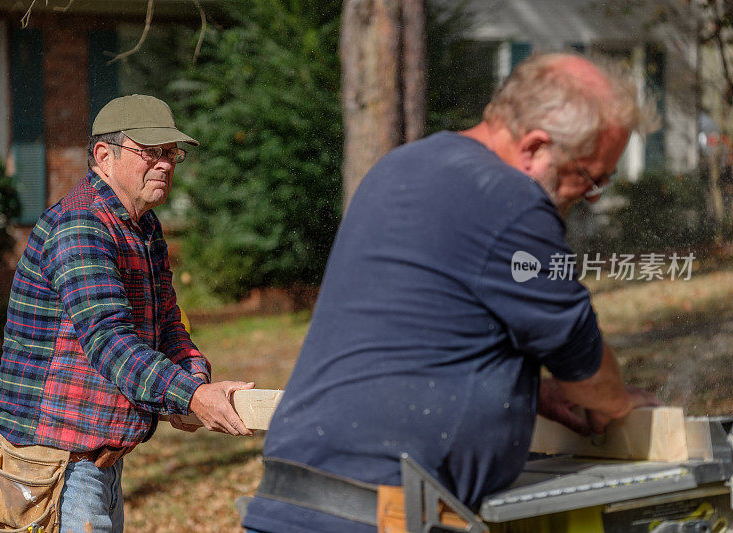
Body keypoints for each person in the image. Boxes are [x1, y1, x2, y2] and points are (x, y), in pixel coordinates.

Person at [242, 53, 660, 533]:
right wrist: (620, 404)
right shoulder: (509, 199)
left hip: (295, 501)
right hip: (380, 514)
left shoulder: (405, 165)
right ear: (536, 146)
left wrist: (521, 395)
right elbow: (586, 371)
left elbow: (413, 337)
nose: (591, 197)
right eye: (591, 178)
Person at [0, 94, 253, 533]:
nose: (165, 164)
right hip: (52, 467)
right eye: (151, 152)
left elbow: (168, 327)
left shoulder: (143, 226)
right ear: (105, 155)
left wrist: (194, 385)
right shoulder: (80, 224)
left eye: (170, 153)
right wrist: (191, 398)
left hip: (98, 461)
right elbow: (110, 341)